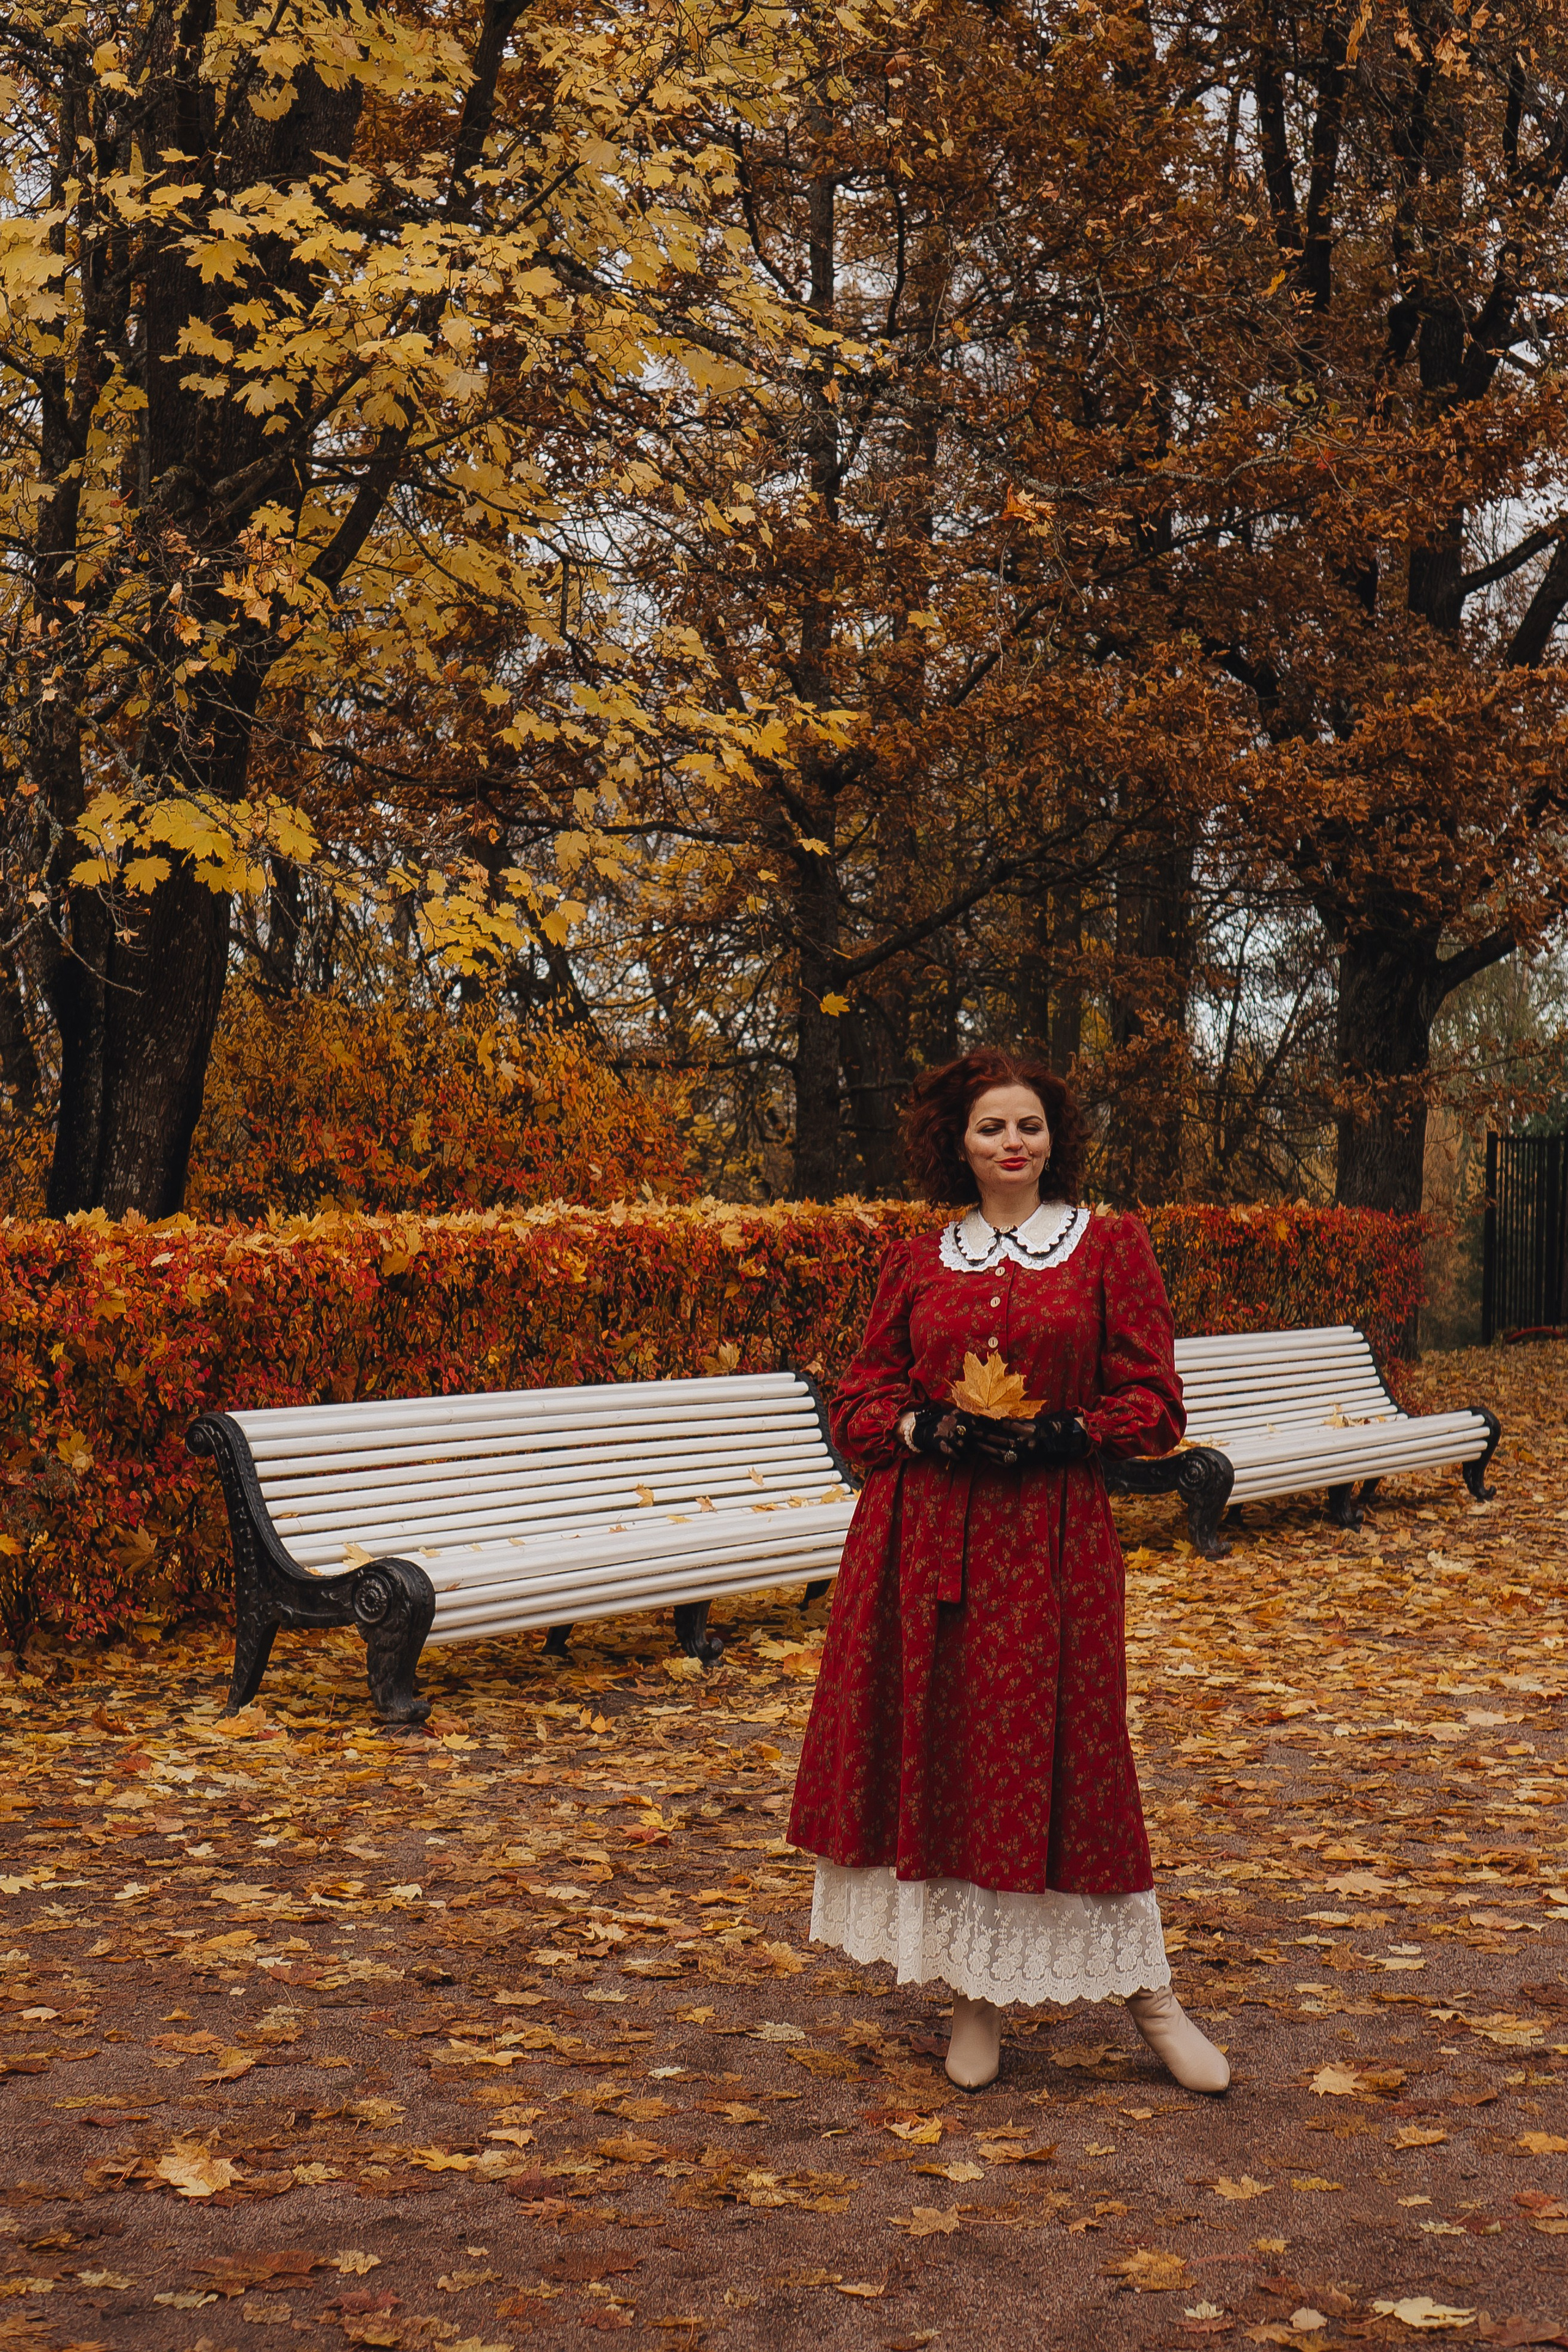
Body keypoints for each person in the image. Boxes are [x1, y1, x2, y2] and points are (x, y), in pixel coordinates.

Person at [788, 1047, 1229, 2095]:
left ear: (1053, 1137)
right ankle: (975, 1999)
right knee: (954, 1755)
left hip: (1051, 1540)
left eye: (1028, 1124)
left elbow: (1159, 1401)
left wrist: (1071, 1432)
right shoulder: (917, 1260)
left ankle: (1153, 1999)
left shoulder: (1109, 1246)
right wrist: (919, 1424)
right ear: (960, 1142)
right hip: (926, 1538)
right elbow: (857, 1398)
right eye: (992, 1127)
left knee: (1075, 1756)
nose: (1012, 1143)